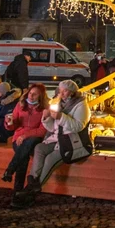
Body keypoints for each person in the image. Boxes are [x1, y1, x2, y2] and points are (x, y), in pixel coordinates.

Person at [14, 79, 91, 207]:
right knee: (39, 148)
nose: (62, 93)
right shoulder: (59, 103)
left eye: (65, 90)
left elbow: (78, 126)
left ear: (72, 92)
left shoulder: (81, 105)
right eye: (60, 90)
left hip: (70, 142)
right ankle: (33, 182)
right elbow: (52, 128)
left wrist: (61, 117)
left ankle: (29, 192)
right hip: (56, 139)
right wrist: (46, 118)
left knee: (50, 159)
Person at [1, 83, 49, 196]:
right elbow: (13, 126)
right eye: (30, 93)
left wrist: (25, 135)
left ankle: (10, 171)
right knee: (23, 156)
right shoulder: (20, 105)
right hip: (18, 138)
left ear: (41, 96)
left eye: (35, 95)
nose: (31, 96)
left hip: (34, 138)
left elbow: (42, 130)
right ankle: (17, 191)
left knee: (30, 142)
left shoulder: (45, 109)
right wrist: (8, 123)